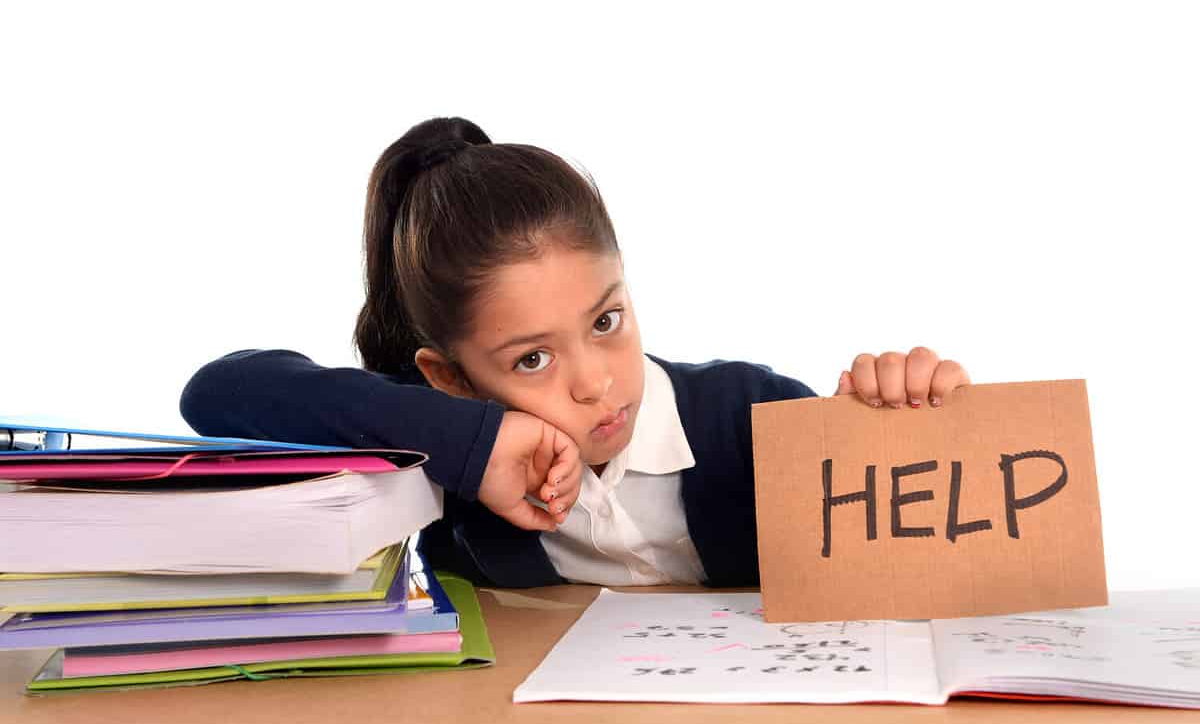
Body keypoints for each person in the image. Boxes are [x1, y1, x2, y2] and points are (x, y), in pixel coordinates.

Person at [180, 116, 971, 588]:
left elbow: (935, 558)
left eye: (606, 320)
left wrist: (913, 417)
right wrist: (472, 442)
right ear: (449, 379)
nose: (596, 382)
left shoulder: (749, 416)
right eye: (533, 359)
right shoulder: (452, 462)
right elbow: (217, 392)